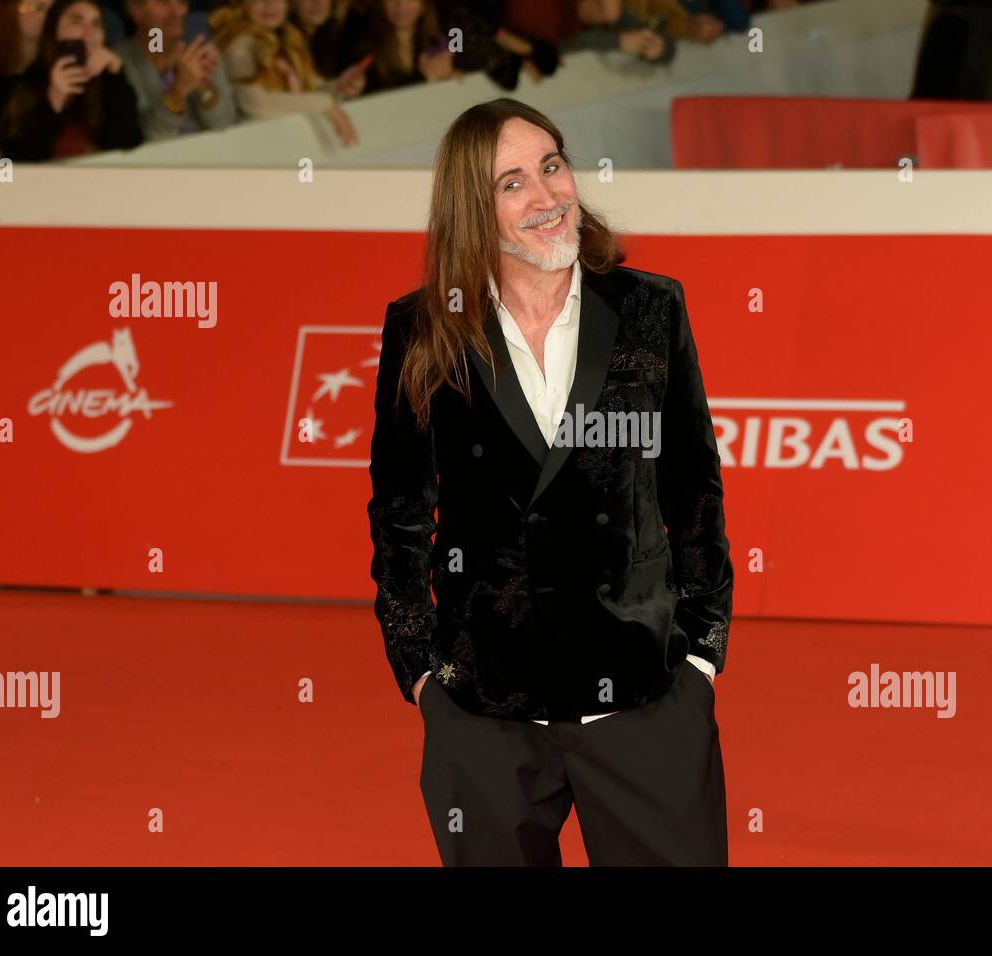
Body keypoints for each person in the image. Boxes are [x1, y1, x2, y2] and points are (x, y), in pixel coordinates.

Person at [367, 97, 733, 866]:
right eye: (512, 183)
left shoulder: (647, 310)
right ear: (474, 208)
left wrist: (701, 653)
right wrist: (421, 676)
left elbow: (693, 486)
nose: (547, 196)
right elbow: (400, 516)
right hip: (485, 713)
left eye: (553, 167)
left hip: (643, 698)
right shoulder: (426, 329)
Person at [0, 0, 142, 160]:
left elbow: (129, 150)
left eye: (96, 24)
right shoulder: (15, 87)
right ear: (54, 29)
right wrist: (53, 101)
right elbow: (16, 161)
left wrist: (116, 78)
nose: (88, 32)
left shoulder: (110, 84)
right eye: (76, 22)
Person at [209, 0, 364, 146]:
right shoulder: (239, 43)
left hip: (291, 141)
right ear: (242, 3)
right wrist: (325, 103)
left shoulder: (288, 37)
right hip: (259, 145)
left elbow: (311, 91)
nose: (270, 5)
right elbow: (256, 103)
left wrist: (339, 86)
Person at [117, 0, 238, 140]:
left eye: (181, 1)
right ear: (135, 10)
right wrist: (179, 91)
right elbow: (147, 139)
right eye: (163, 2)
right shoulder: (119, 64)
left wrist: (204, 87)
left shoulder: (200, 50)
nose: (177, 12)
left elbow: (226, 125)